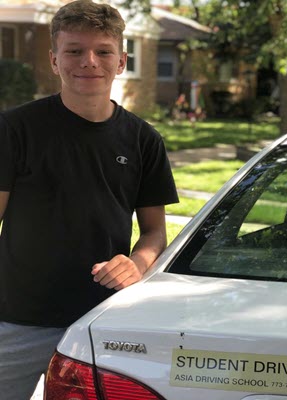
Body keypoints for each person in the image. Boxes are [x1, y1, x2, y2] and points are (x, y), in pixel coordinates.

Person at [0, 1, 179, 398]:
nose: (89, 61)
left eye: (103, 51)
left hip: (100, 321)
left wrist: (136, 264)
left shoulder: (143, 140)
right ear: (54, 59)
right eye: (74, 51)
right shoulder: (14, 129)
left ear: (120, 62)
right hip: (15, 319)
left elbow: (153, 233)